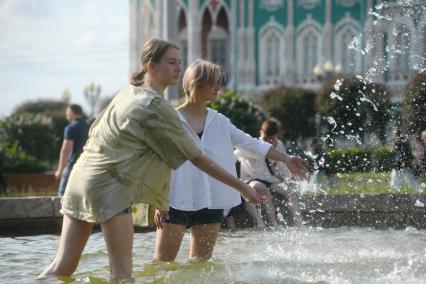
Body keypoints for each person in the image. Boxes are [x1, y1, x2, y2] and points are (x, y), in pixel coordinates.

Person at [39, 39, 264, 280]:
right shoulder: (157, 107)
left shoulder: (127, 93)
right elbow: (198, 159)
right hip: (111, 188)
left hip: (80, 179)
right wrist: (241, 186)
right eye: (170, 63)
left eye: (179, 63)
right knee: (122, 275)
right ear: (151, 66)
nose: (178, 68)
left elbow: (95, 132)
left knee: (60, 268)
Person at [153, 60, 308, 262]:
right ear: (196, 83)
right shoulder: (171, 119)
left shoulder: (220, 122)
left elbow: (252, 144)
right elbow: (158, 161)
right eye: (213, 83)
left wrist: (286, 158)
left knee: (200, 267)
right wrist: (157, 201)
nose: (219, 87)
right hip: (174, 200)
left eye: (219, 82)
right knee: (163, 265)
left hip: (210, 200)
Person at [234, 119, 303, 229]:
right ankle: (265, 223)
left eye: (273, 139)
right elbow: (234, 156)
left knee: (289, 192)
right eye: (268, 138)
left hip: (268, 178)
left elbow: (282, 167)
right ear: (262, 133)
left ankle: (299, 224)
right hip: (251, 178)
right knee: (261, 189)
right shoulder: (253, 144)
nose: (270, 141)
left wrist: (285, 179)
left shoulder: (279, 144)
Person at [55, 104, 90, 196]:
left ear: (71, 112)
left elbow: (66, 149)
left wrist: (60, 170)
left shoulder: (70, 128)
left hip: (73, 166)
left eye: (67, 112)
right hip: (88, 167)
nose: (66, 114)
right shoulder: (90, 127)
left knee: (62, 196)